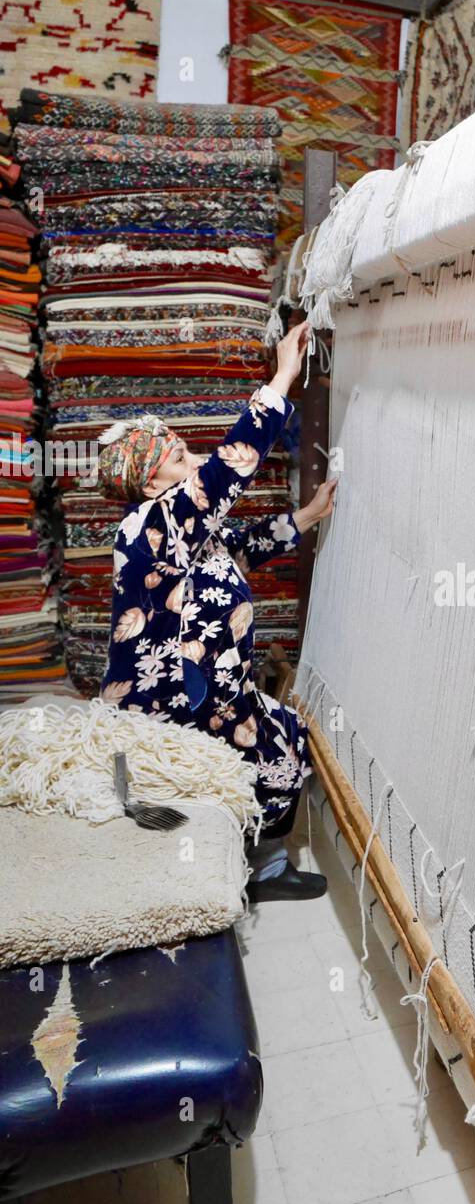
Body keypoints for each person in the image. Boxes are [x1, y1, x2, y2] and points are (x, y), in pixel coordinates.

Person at [97, 321, 335, 902]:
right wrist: (282, 375)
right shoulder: (153, 523)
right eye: (178, 458)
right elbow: (229, 469)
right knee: (281, 747)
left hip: (205, 691)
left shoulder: (177, 532)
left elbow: (240, 547)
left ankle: (245, 860)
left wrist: (306, 516)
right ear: (152, 480)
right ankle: (258, 869)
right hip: (181, 699)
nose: (192, 458)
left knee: (280, 741)